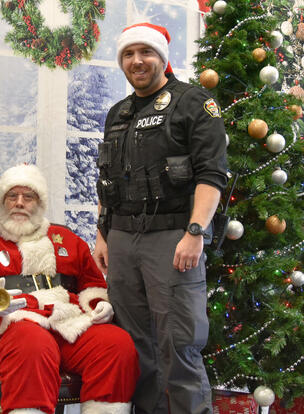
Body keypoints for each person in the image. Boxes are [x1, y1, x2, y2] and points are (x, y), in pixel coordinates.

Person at [92, 22, 228, 414]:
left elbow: (211, 174)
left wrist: (195, 232)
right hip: (121, 238)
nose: (137, 61)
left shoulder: (192, 103)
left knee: (179, 344)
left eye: (145, 53)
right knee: (135, 348)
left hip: (173, 238)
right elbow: (107, 180)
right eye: (129, 54)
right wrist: (103, 235)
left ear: (162, 58)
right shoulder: (117, 113)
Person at [0, 164, 140, 414]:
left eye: (28, 197)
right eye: (12, 196)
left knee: (117, 344)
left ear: (39, 203)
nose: (19, 203)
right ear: (1, 201)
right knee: (33, 344)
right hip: (16, 322)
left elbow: (92, 283)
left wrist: (98, 304)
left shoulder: (65, 239)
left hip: (66, 320)